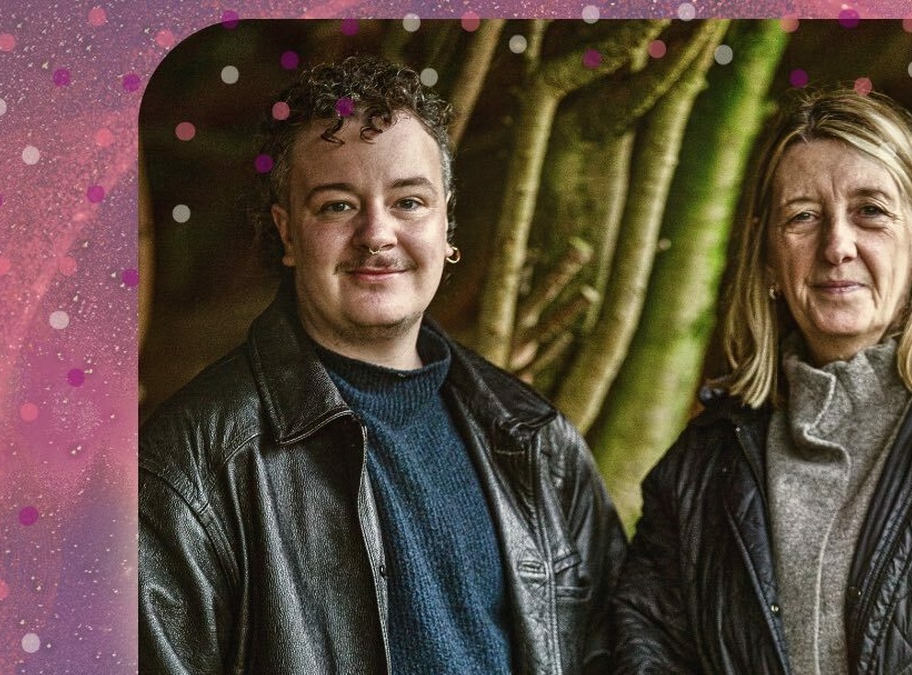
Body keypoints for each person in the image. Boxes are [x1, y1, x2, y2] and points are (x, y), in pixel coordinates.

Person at [139, 56, 626, 674]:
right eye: (338, 206)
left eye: (409, 202)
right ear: (287, 234)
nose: (377, 234)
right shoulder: (190, 468)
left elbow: (611, 650)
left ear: (446, 222)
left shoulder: (535, 440)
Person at [612, 88, 912, 674]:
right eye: (802, 217)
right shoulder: (702, 463)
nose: (837, 246)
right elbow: (645, 647)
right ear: (767, 256)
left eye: (871, 211)